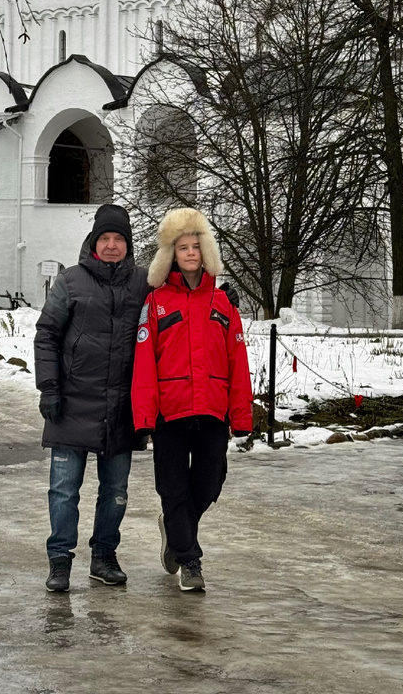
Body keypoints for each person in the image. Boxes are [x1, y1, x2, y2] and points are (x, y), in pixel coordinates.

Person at [131, 207, 253, 592]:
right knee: (172, 487)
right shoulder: (156, 304)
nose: (189, 253)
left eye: (195, 246)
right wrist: (144, 418)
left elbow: (238, 362)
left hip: (213, 412)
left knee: (208, 483)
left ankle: (174, 527)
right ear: (171, 253)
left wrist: (243, 417)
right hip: (171, 412)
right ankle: (190, 560)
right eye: (182, 247)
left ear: (206, 251)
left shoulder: (223, 304)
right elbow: (144, 365)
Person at [34, 204, 149, 592]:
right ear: (94, 242)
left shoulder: (144, 283)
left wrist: (219, 291)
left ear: (128, 245)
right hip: (70, 404)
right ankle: (60, 560)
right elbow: (47, 335)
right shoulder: (71, 281)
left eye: (119, 239)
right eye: (106, 238)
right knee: (64, 490)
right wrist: (49, 388)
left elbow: (185, 289)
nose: (113, 245)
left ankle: (103, 556)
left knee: (115, 490)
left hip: (121, 408)